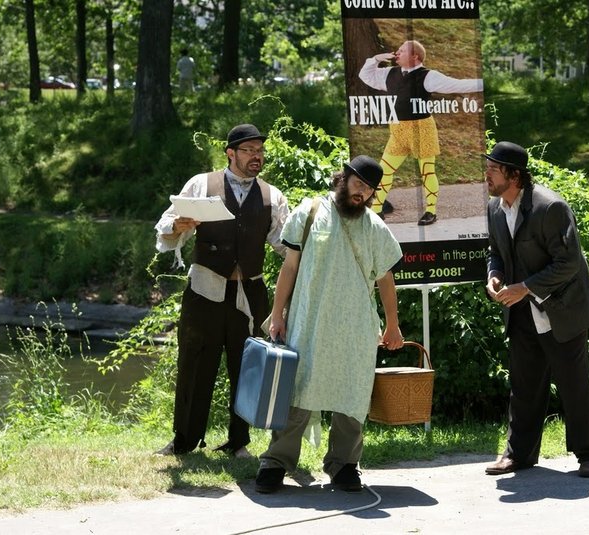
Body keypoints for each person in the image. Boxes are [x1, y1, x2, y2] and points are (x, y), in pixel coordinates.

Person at [255, 155, 404, 493]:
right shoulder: (309, 212)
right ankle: (276, 462)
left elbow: (386, 278)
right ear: (343, 178)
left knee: (352, 395)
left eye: (369, 190)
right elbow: (289, 268)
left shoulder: (374, 228)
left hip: (355, 328)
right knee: (297, 392)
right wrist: (278, 314)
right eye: (358, 184)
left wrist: (392, 324)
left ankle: (344, 464)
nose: (362, 194)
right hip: (308, 320)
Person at [154, 124, 289, 457]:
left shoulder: (272, 196)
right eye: (249, 150)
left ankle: (238, 441)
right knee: (195, 363)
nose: (256, 156)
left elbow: (286, 245)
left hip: (250, 294)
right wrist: (177, 226)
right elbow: (168, 224)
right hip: (205, 291)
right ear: (231, 153)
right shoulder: (203, 184)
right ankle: (184, 440)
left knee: (247, 367)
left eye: (260, 151)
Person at [483, 141, 589, 478]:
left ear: (513, 174)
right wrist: (494, 274)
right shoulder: (495, 208)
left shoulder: (551, 207)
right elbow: (495, 251)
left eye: (492, 169)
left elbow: (568, 263)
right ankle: (518, 454)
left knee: (574, 384)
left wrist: (525, 287)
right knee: (523, 386)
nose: (486, 175)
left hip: (562, 309)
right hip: (521, 311)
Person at [358, 40, 483, 225]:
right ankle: (376, 211)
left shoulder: (428, 76)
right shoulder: (389, 74)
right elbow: (365, 75)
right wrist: (376, 58)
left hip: (422, 129)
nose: (397, 53)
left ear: (415, 56)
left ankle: (431, 212)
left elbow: (458, 85)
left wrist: (484, 82)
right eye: (397, 50)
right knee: (384, 170)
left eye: (402, 51)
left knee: (427, 171)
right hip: (398, 130)